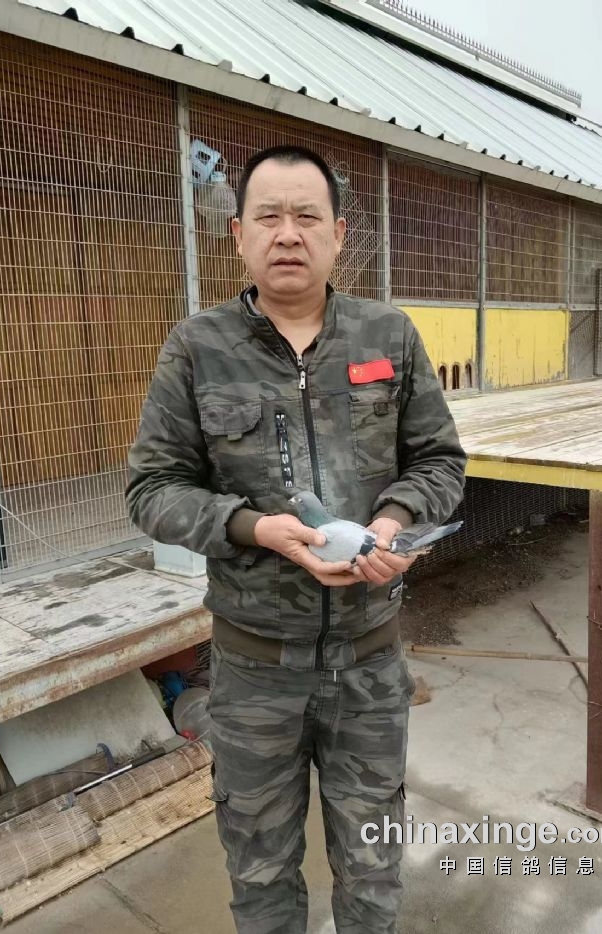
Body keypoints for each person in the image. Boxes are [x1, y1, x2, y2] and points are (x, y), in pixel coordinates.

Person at [126, 144, 466, 934]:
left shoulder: (388, 336)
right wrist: (254, 528)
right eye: (269, 217)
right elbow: (152, 491)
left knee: (373, 868)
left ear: (338, 234)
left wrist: (393, 521)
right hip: (253, 673)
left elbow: (440, 460)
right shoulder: (197, 348)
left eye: (308, 216)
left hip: (369, 665)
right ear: (239, 234)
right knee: (261, 872)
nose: (288, 233)